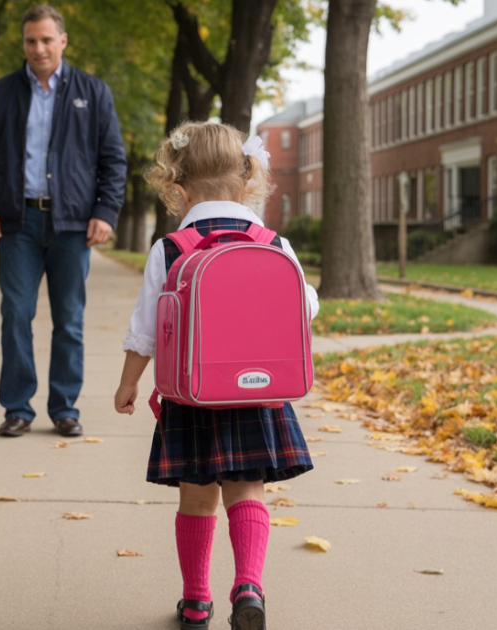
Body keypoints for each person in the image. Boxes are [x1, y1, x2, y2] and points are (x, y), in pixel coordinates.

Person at [113, 121, 320, 630]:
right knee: (248, 491)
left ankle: (196, 601)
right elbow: (306, 305)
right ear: (246, 183)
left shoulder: (170, 248)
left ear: (179, 191)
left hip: (193, 396)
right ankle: (249, 585)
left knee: (197, 498)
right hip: (260, 393)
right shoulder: (272, 241)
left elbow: (145, 328)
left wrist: (129, 382)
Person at [0, 4, 127, 438]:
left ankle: (64, 408)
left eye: (45, 39)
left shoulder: (93, 93)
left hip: (73, 226)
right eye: (30, 41)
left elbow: (113, 159)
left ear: (62, 41)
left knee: (69, 319)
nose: (37, 48)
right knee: (16, 315)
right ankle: (18, 407)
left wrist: (105, 212)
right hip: (17, 224)